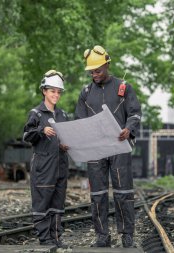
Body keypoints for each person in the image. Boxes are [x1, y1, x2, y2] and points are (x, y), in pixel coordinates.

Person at [75, 45, 142, 248]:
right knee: (97, 194)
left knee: (123, 192)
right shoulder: (85, 93)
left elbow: (135, 113)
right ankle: (102, 236)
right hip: (96, 150)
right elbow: (80, 120)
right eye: (91, 71)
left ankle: (127, 235)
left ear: (107, 65)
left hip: (119, 147)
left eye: (98, 70)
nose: (94, 74)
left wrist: (129, 129)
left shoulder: (123, 88)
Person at [23, 70, 69, 248]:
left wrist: (64, 145)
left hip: (60, 166)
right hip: (43, 167)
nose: (56, 95)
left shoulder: (63, 115)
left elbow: (66, 137)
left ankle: (56, 238)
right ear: (44, 91)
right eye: (52, 91)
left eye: (58, 92)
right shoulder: (36, 113)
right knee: (42, 203)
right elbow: (26, 135)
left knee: (58, 203)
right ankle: (45, 240)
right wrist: (41, 131)